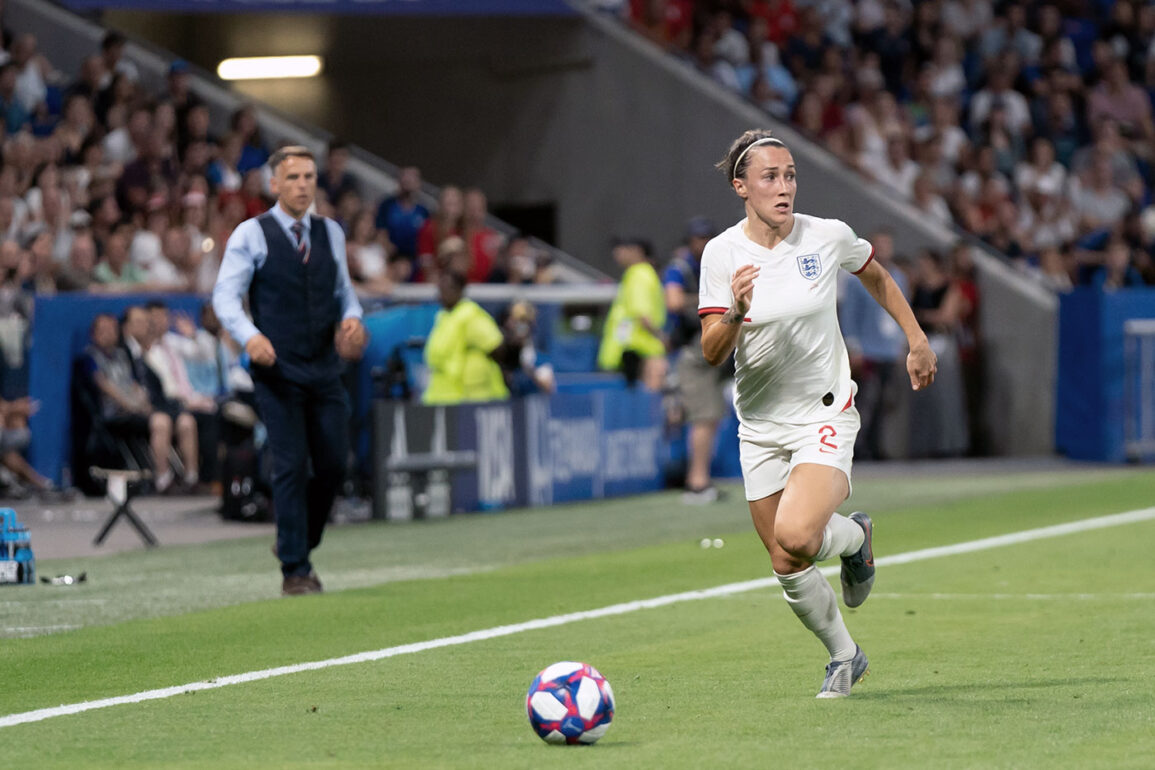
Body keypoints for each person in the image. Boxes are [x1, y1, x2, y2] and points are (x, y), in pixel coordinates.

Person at [698, 130, 936, 697]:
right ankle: (844, 654)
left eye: (790, 175)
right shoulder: (722, 254)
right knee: (786, 559)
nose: (784, 187)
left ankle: (853, 541)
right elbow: (711, 350)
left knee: (799, 532)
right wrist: (734, 309)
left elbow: (874, 272)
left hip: (825, 412)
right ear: (741, 187)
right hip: (759, 426)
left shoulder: (825, 236)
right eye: (769, 177)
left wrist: (917, 338)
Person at [213, 145, 367, 597]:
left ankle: (296, 540)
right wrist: (250, 335)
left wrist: (352, 318)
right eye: (294, 177)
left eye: (309, 176)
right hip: (277, 369)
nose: (303, 185)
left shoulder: (331, 232)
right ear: (274, 184)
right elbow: (225, 297)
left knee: (336, 463)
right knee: (290, 464)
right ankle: (296, 570)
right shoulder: (251, 234)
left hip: (324, 366)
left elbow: (344, 291)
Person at [663, 216, 728, 503]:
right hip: (691, 353)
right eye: (698, 238)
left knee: (711, 417)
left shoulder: (718, 263)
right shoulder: (680, 268)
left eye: (706, 238)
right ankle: (696, 482)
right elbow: (674, 301)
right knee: (702, 417)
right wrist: (708, 297)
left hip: (715, 350)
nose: (702, 244)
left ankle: (701, 480)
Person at [422, 269, 510, 405]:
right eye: (441, 290)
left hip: (468, 399)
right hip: (442, 397)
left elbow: (497, 348)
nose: (443, 295)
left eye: (448, 289)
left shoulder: (470, 315)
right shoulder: (443, 316)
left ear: (460, 290)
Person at [597, 237, 667, 391]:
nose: (617, 254)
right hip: (631, 349)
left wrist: (661, 337)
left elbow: (643, 315)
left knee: (649, 398)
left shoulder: (639, 274)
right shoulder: (635, 274)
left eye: (623, 248)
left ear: (637, 251)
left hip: (640, 348)